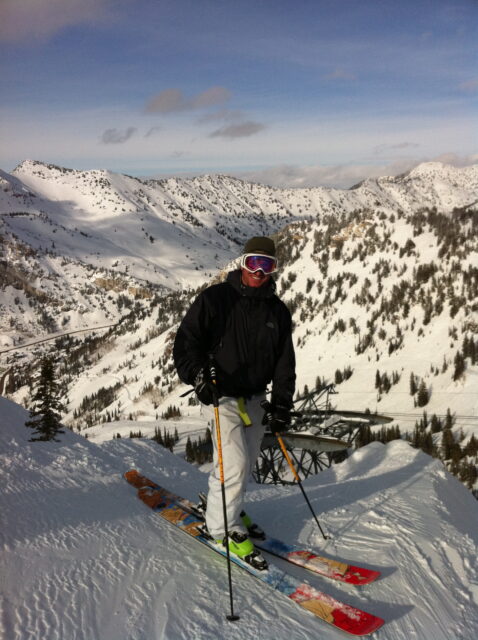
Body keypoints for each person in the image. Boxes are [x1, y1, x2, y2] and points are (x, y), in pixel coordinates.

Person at [173, 236, 296, 568]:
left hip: (256, 397)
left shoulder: (277, 311)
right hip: (220, 396)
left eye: (266, 264)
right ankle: (220, 528)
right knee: (234, 464)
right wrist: (198, 377)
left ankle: (231, 508)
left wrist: (282, 405)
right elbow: (186, 344)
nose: (258, 271)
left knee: (247, 462)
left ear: (273, 270)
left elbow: (285, 363)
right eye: (253, 262)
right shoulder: (216, 299)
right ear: (242, 262)